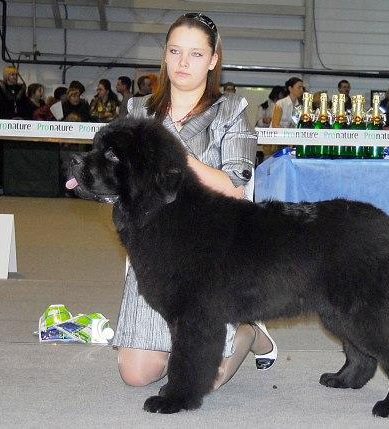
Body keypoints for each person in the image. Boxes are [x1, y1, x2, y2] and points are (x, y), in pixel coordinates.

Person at [113, 12, 276, 391]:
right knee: (136, 376)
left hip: (213, 260)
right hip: (156, 260)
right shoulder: (138, 111)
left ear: (213, 60)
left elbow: (233, 186)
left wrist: (172, 154)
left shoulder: (231, 111)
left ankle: (248, 331)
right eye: (175, 51)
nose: (183, 63)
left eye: (196, 54)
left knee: (205, 380)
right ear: (165, 55)